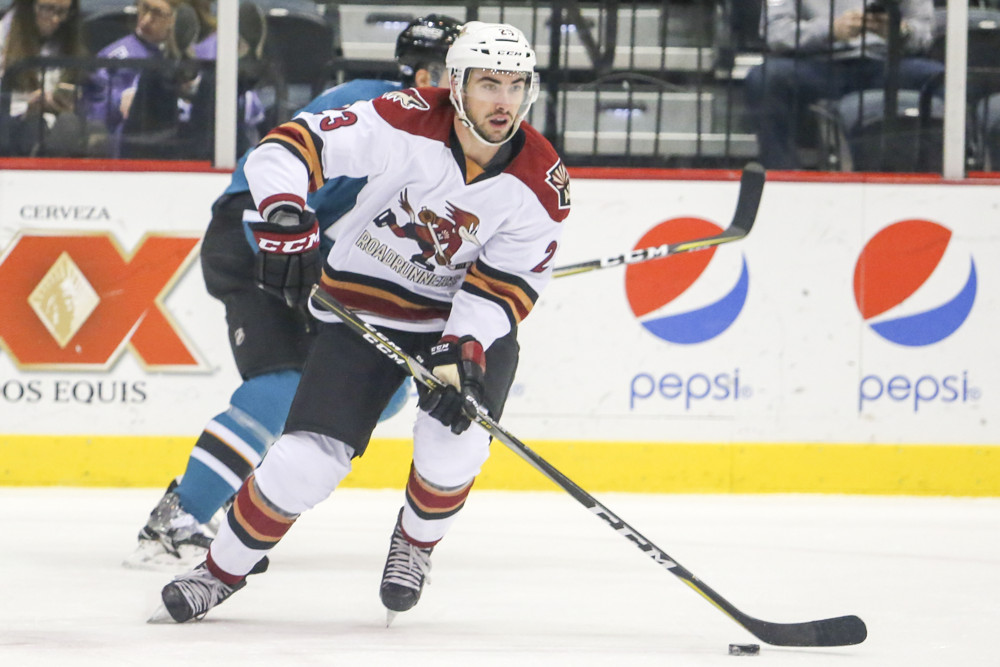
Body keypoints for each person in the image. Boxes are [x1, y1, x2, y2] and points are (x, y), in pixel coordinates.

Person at [151, 20, 570, 625]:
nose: (503, 101)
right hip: (365, 310)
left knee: (453, 448)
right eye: (488, 84)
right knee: (302, 464)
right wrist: (285, 212)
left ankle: (415, 546)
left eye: (515, 85)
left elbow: (505, 285)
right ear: (457, 86)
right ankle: (218, 572)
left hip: (458, 323)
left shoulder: (542, 183)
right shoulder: (405, 118)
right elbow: (289, 148)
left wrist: (463, 349)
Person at [125, 14, 463, 572]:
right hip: (259, 232)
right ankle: (178, 518)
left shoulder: (436, 137)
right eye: (462, 76)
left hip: (307, 246)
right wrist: (288, 238)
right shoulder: (374, 106)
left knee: (381, 392)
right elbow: (282, 169)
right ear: (427, 76)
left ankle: (234, 493)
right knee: (283, 383)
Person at [744, 0, 943, 169]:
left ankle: (941, 170)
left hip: (886, 63)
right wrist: (831, 30)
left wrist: (900, 31)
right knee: (764, 78)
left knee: (943, 79)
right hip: (815, 64)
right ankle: (782, 174)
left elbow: (925, 32)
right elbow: (775, 32)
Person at [81, 0, 192, 157]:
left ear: (176, 20)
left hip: (177, 146)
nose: (146, 20)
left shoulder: (188, 59)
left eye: (158, 13)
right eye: (144, 8)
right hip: (129, 146)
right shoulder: (115, 57)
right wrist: (119, 99)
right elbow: (94, 104)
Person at [0, 0, 87, 155]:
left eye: (62, 12)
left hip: (58, 126)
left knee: (80, 126)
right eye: (47, 8)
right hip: (13, 133)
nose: (55, 19)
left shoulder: (68, 43)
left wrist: (69, 103)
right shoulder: (3, 40)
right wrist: (28, 109)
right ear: (27, 7)